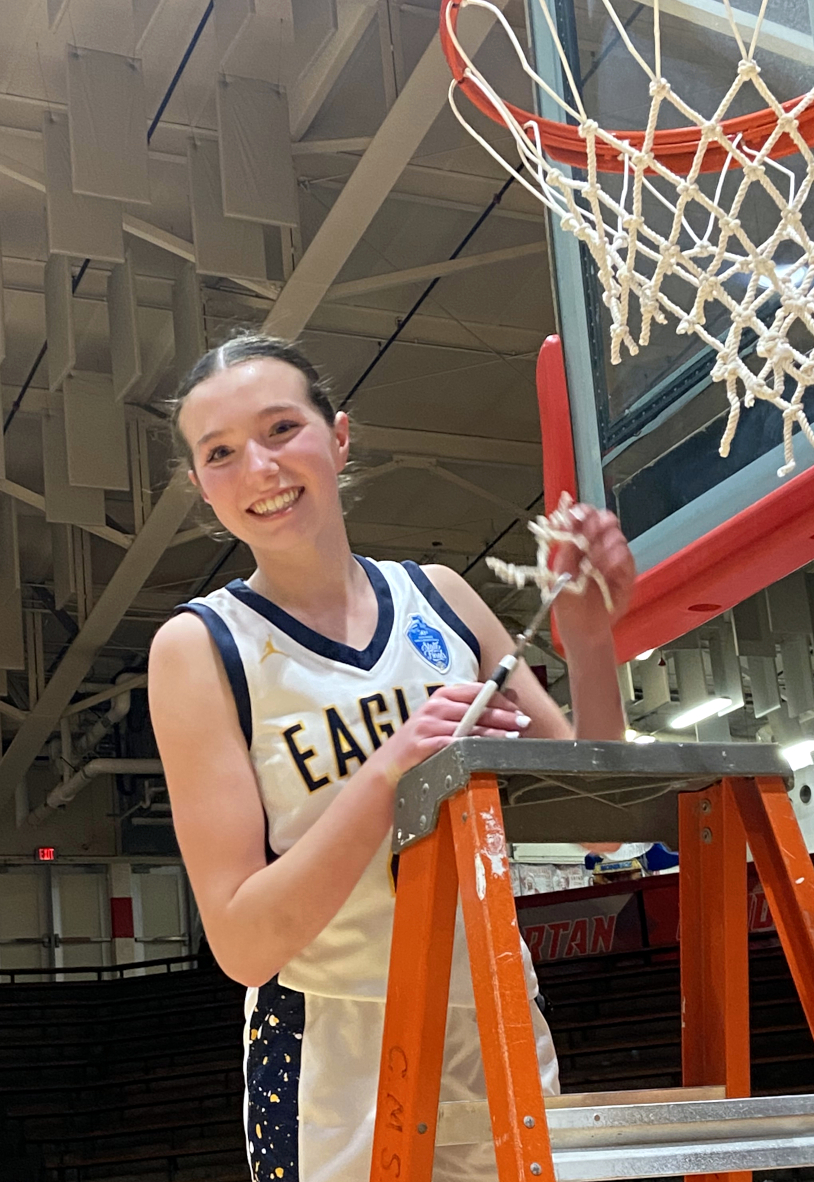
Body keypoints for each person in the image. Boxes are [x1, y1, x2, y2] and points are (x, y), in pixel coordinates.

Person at [148, 331, 636, 1182]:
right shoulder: (198, 646)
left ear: (338, 438)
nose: (259, 467)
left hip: (496, 1016)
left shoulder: (440, 599)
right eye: (221, 453)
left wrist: (593, 645)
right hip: (333, 1048)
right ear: (201, 488)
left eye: (280, 429)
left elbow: (600, 826)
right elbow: (241, 944)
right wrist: (386, 775)